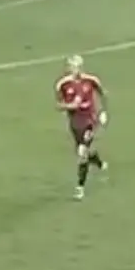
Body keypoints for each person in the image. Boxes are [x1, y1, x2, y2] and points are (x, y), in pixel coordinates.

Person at [55, 55, 109, 199]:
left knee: (82, 152)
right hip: (75, 123)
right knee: (84, 151)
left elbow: (103, 94)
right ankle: (98, 162)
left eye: (78, 66)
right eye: (73, 66)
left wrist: (103, 112)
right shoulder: (62, 85)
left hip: (90, 121)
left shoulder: (91, 80)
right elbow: (58, 105)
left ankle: (80, 187)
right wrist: (70, 106)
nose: (75, 69)